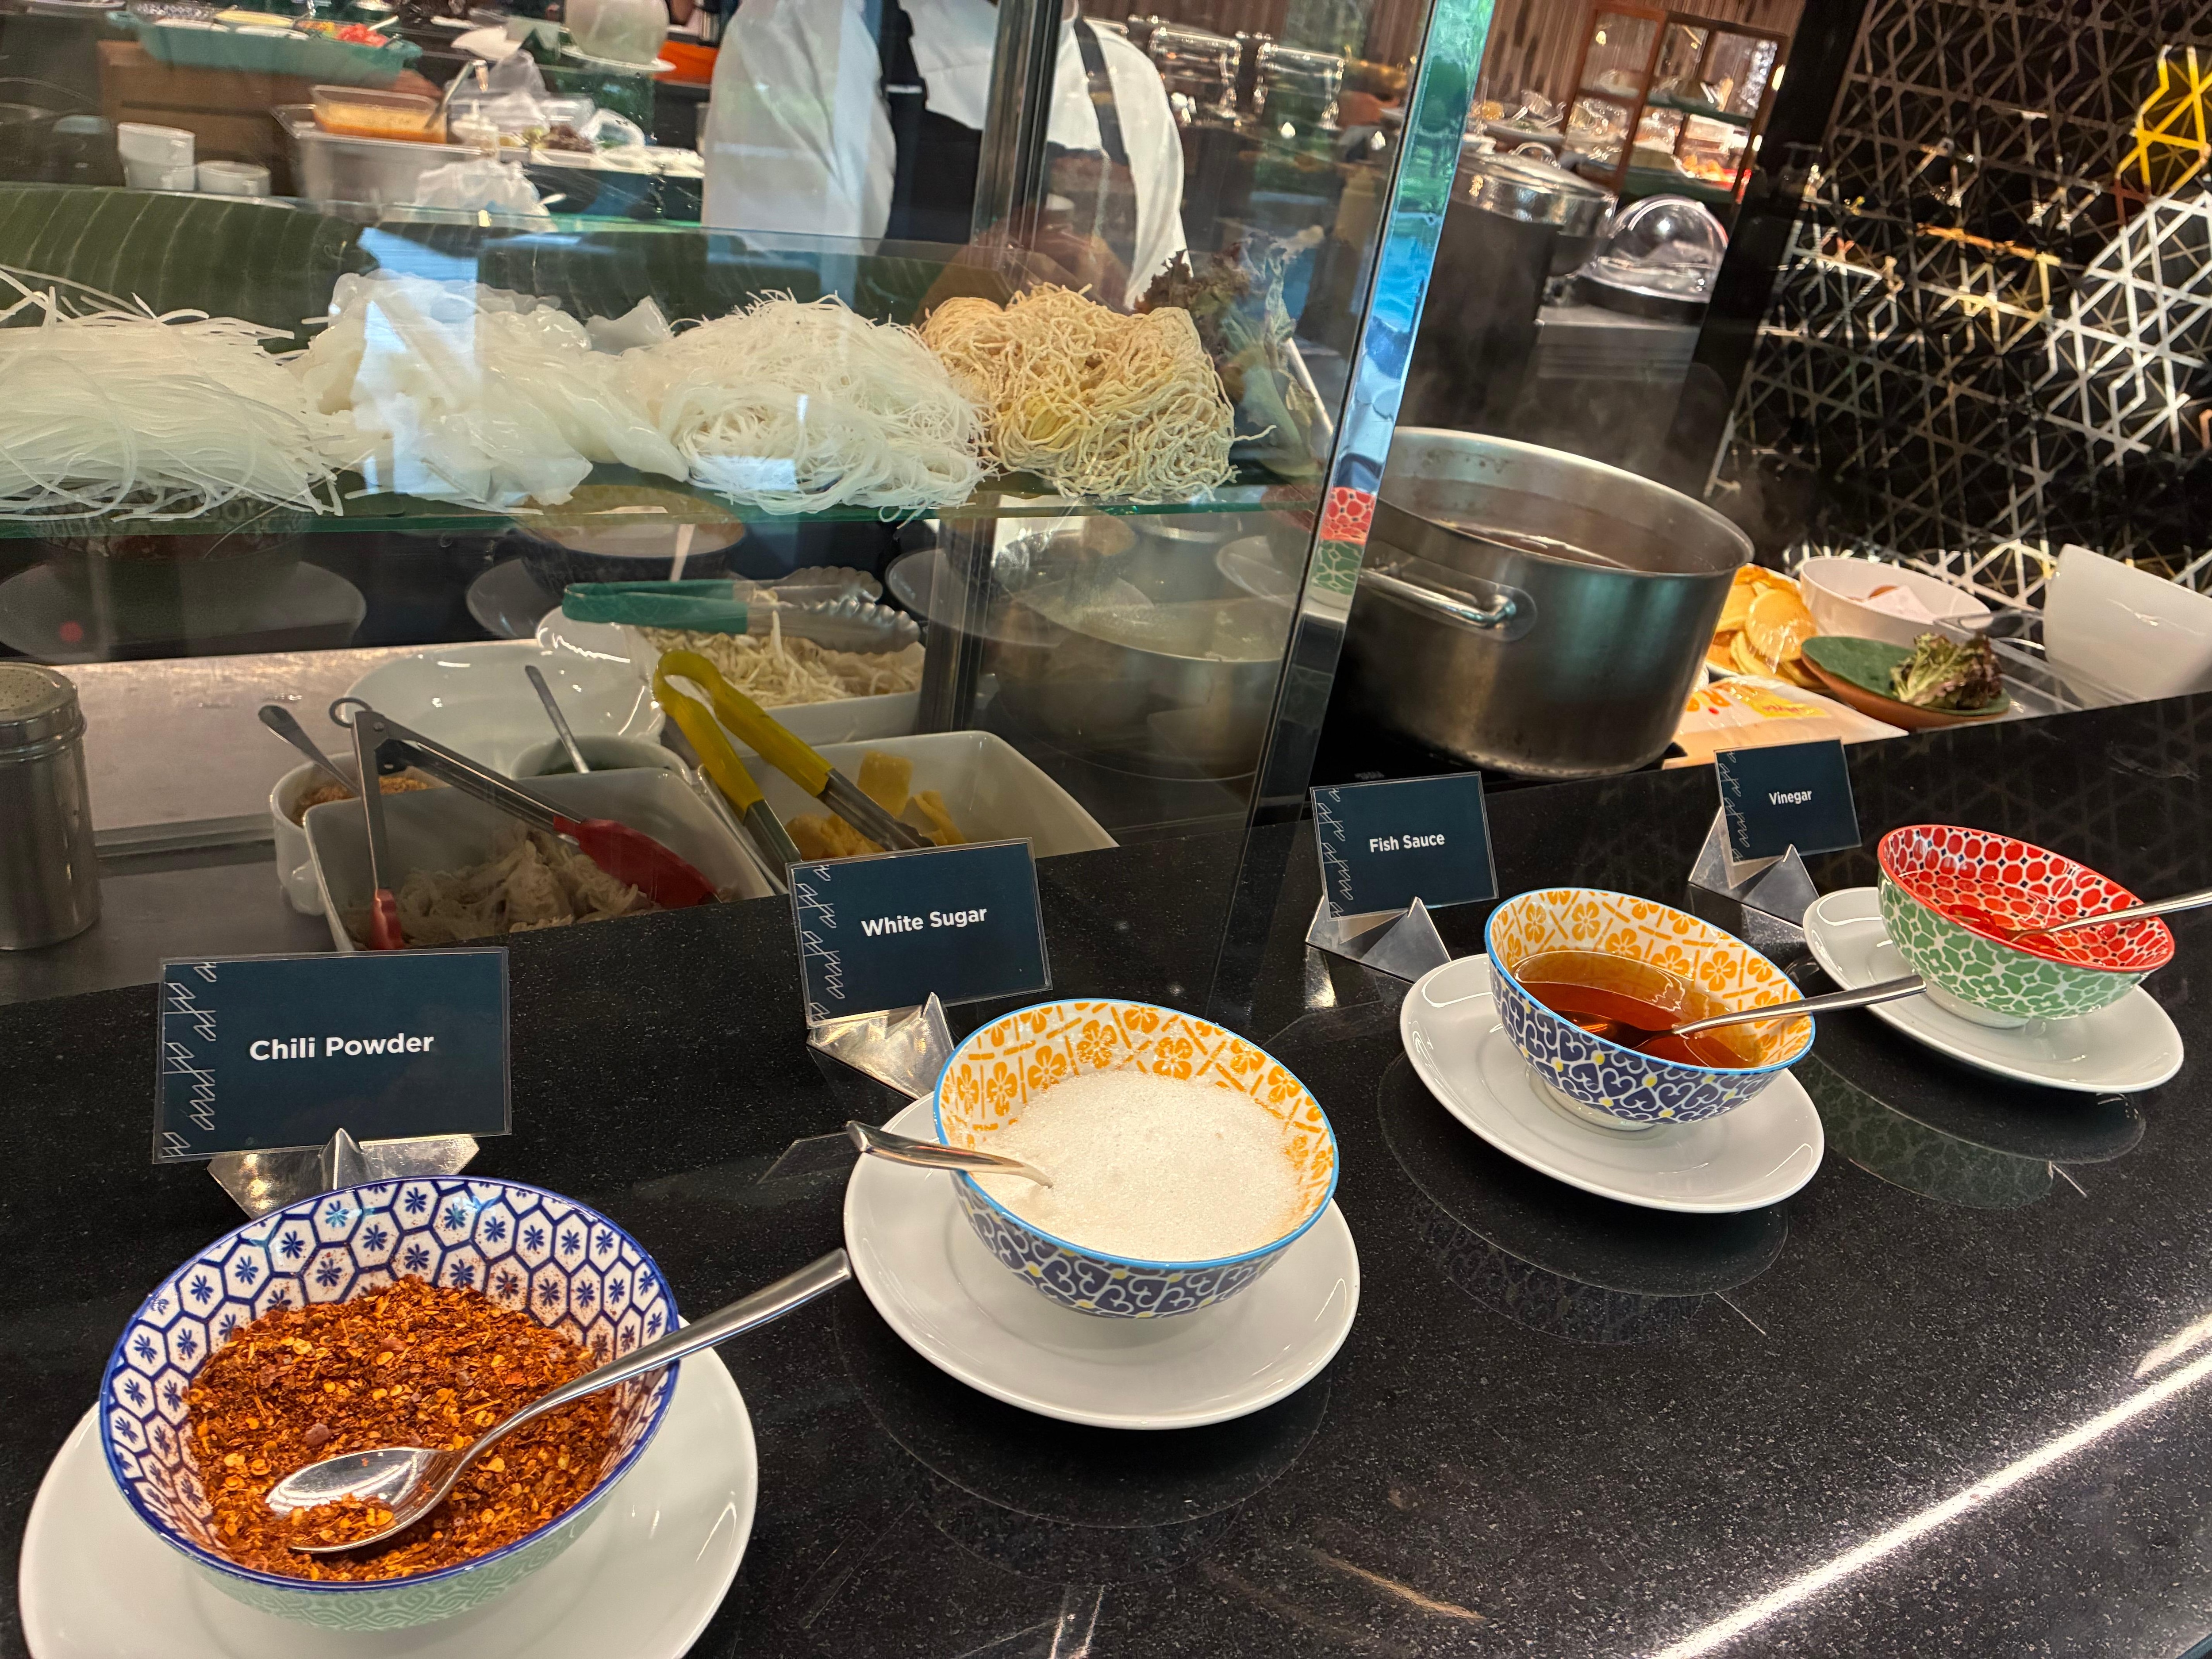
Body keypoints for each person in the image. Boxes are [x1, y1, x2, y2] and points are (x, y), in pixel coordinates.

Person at [701, 0, 1187, 309]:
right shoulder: (801, 31)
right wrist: (959, 290)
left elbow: (1157, 315)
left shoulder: (1131, 85)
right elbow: (778, 323)